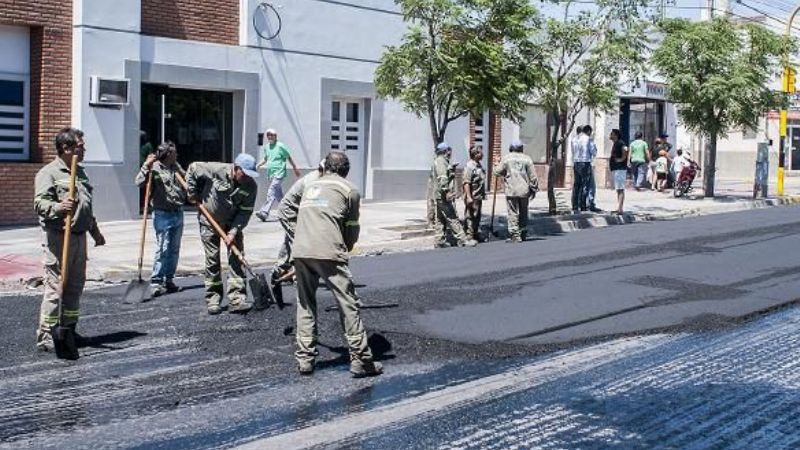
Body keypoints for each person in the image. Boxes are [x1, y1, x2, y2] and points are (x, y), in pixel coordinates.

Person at [292, 151, 383, 378]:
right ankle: (361, 360)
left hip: (301, 250)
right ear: (346, 170)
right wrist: (346, 248)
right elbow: (351, 228)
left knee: (305, 304)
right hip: (329, 251)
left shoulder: (310, 186)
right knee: (347, 303)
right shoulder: (349, 190)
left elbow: (290, 211)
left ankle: (305, 359)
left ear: (326, 167)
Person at [34, 127, 106, 353]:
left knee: (75, 286)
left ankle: (68, 329)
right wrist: (58, 207)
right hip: (58, 237)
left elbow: (86, 207)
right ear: (66, 148)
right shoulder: (49, 173)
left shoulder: (80, 173)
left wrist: (95, 232)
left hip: (78, 237)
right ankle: (47, 334)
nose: (84, 150)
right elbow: (39, 203)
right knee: (56, 287)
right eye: (80, 146)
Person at [186, 153, 259, 315]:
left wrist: (233, 232)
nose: (247, 178)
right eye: (245, 174)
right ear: (236, 168)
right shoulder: (216, 169)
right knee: (212, 260)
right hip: (209, 220)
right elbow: (192, 168)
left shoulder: (250, 186)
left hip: (232, 224)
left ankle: (237, 298)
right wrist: (191, 193)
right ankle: (213, 299)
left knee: (236, 259)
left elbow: (245, 213)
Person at [135, 141, 186, 297]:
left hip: (178, 211)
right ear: (168, 155)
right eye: (175, 153)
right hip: (162, 213)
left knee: (174, 249)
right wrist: (146, 166)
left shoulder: (175, 166)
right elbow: (138, 182)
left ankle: (169, 280)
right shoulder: (154, 168)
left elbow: (185, 179)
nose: (177, 155)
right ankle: (156, 281)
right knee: (163, 248)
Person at [272, 160, 325, 283]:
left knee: (290, 242)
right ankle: (299, 276)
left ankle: (280, 269)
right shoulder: (313, 181)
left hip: (298, 211)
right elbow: (312, 206)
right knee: (301, 242)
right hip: (290, 212)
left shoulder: (321, 179)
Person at [429, 142, 477, 248]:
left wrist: (451, 169)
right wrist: (447, 192)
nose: (451, 152)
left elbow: (444, 175)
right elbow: (442, 178)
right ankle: (463, 240)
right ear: (446, 151)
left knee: (440, 219)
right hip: (442, 195)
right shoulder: (441, 162)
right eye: (449, 150)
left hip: (438, 195)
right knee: (452, 217)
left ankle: (439, 240)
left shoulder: (440, 161)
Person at [494, 139, 538, 243]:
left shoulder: (506, 158)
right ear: (520, 148)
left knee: (512, 212)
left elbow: (497, 172)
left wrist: (496, 164)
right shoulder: (527, 159)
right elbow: (533, 177)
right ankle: (522, 232)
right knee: (523, 212)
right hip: (524, 190)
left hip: (512, 190)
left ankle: (515, 235)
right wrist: (534, 189)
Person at [255, 129, 301, 222]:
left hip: (279, 172)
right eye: (268, 135)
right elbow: (266, 158)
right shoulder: (267, 147)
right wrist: (258, 165)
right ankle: (288, 210)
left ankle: (264, 212)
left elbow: (288, 157)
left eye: (272, 135)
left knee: (271, 191)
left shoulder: (280, 146)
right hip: (271, 173)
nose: (270, 137)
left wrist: (295, 168)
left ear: (276, 136)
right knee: (279, 195)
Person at [462, 145, 486, 242]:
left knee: (477, 216)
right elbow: (466, 183)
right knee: (470, 216)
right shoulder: (470, 166)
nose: (482, 154)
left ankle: (475, 234)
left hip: (478, 196)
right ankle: (469, 236)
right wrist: (468, 197)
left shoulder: (478, 165)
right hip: (472, 196)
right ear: (475, 154)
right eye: (480, 152)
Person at [571, 125, 596, 212]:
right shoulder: (588, 139)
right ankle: (583, 205)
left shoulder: (574, 139)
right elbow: (593, 151)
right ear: (588, 131)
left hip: (576, 162)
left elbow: (573, 151)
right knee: (585, 184)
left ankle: (574, 205)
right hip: (585, 162)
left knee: (576, 185)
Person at [609, 129, 629, 214]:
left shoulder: (620, 143)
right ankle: (619, 208)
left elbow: (625, 149)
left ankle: (620, 209)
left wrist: (622, 159)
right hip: (616, 168)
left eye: (612, 134)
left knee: (620, 188)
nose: (610, 135)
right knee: (618, 189)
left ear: (616, 135)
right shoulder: (615, 143)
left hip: (620, 169)